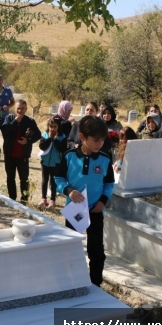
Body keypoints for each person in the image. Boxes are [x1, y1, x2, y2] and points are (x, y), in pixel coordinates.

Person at [55, 115, 115, 286]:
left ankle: (95, 284)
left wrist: (103, 201)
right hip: (75, 211)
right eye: (95, 140)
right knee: (71, 249)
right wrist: (68, 191)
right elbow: (58, 178)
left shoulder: (105, 159)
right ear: (82, 137)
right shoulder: (69, 156)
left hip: (95, 211)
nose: (100, 144)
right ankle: (70, 283)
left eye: (102, 139)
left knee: (96, 251)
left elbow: (109, 184)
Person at [1, 99, 41, 203]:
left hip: (23, 155)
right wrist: (15, 122)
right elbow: (5, 131)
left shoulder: (30, 121)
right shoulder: (9, 118)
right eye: (18, 108)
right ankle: (12, 199)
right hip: (9, 154)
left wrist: (28, 141)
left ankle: (24, 200)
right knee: (10, 177)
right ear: (15, 108)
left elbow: (38, 135)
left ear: (26, 109)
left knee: (24, 179)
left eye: (22, 109)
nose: (20, 111)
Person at [38, 115, 67, 208]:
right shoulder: (45, 135)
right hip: (45, 161)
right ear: (48, 126)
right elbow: (42, 146)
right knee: (44, 180)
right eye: (51, 126)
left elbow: (62, 149)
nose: (53, 129)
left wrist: (56, 140)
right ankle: (43, 198)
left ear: (58, 127)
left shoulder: (62, 136)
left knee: (53, 181)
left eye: (55, 126)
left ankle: (52, 200)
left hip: (56, 162)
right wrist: (50, 138)